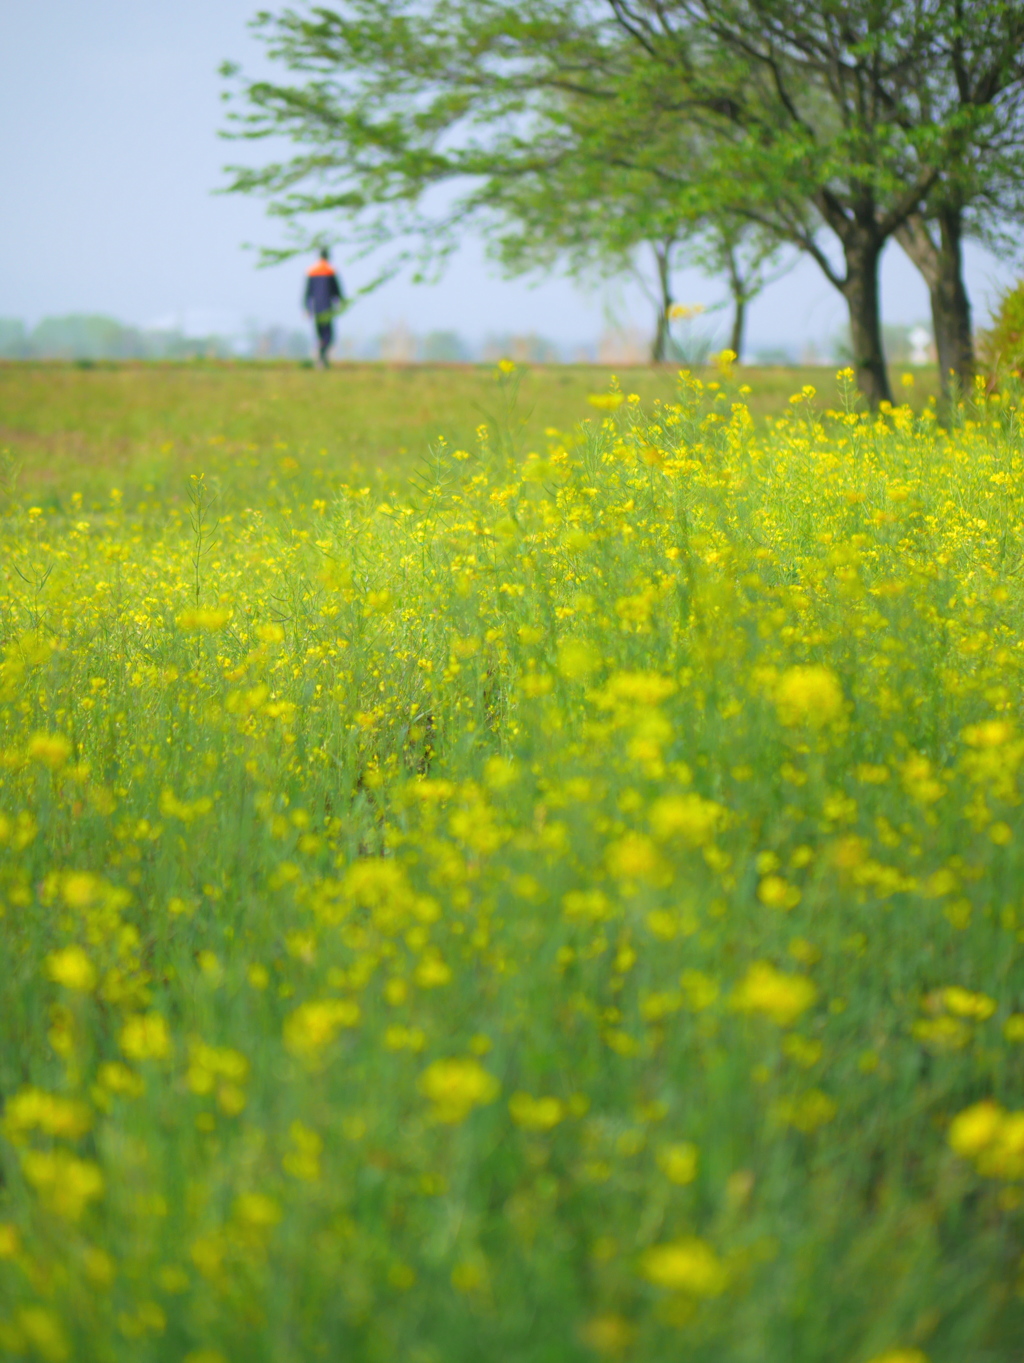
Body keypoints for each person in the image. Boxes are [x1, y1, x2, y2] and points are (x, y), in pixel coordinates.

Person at [304, 248, 344, 367]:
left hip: (316, 307)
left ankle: (321, 359)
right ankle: (322, 358)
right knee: (329, 336)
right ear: (328, 256)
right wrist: (341, 303)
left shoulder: (311, 271)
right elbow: (337, 291)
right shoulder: (330, 271)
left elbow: (307, 293)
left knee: (320, 335)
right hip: (328, 307)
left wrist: (307, 308)